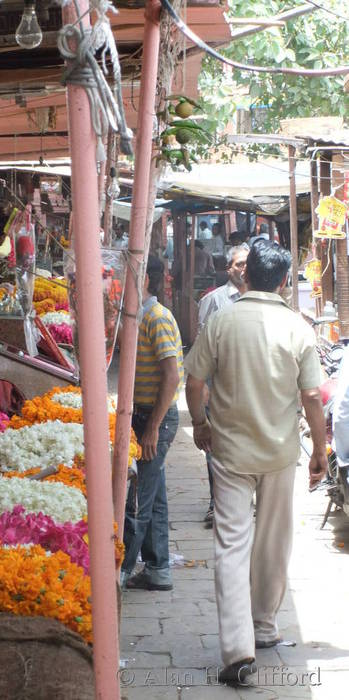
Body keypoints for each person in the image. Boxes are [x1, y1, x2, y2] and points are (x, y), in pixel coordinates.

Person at [184, 240, 326, 685]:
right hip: (281, 453)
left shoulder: (222, 321)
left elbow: (193, 382)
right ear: (285, 281)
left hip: (228, 451)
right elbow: (310, 398)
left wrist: (199, 424)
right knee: (273, 541)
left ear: (246, 276)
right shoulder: (298, 327)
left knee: (231, 543)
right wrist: (320, 451)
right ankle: (264, 625)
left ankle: (238, 651)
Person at [121, 255, 184, 591]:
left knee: (137, 500)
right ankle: (158, 568)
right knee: (154, 495)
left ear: (144, 279)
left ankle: (119, 572)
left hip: (155, 418)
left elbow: (172, 376)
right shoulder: (140, 317)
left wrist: (153, 427)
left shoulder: (157, 318)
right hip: (146, 415)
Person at [196, 244, 249, 526]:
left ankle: (241, 503)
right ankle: (217, 504)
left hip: (251, 390)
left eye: (247, 264)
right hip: (218, 388)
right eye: (239, 264)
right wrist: (203, 387)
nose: (243, 269)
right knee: (216, 448)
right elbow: (201, 349)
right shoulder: (214, 301)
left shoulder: (260, 299)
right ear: (228, 268)